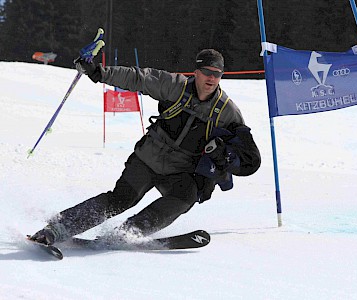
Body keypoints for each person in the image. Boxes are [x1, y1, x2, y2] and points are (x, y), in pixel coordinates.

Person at [29, 49, 261, 245]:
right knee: (121, 199)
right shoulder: (174, 86)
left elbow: (248, 153)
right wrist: (100, 72)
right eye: (207, 72)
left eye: (217, 74)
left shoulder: (226, 110)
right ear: (197, 72)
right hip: (147, 158)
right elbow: (138, 78)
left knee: (186, 197)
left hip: (179, 170)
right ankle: (56, 230)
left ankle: (127, 234)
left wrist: (226, 157)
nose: (211, 79)